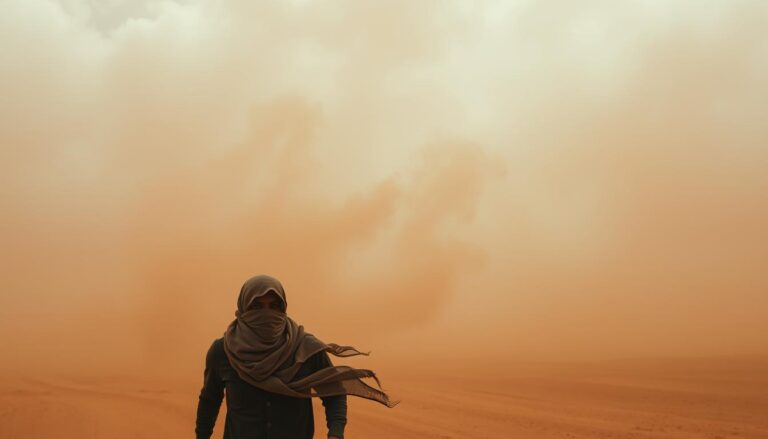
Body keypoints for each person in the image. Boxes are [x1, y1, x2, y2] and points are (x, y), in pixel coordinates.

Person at [195, 274, 397, 439]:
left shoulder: (305, 348)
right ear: (242, 309)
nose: (266, 313)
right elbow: (209, 401)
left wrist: (335, 433)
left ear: (284, 309)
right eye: (256, 306)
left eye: (274, 306)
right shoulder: (223, 351)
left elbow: (334, 393)